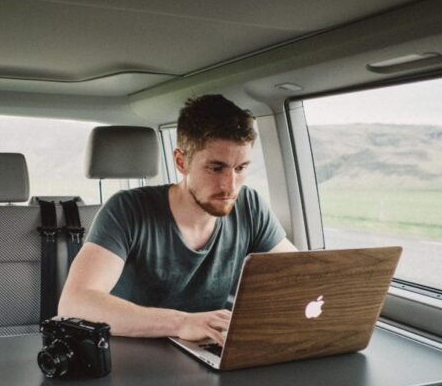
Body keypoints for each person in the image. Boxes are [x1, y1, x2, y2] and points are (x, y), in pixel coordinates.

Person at [59, 94, 297, 344]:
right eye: (216, 168)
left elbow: (303, 275)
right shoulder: (127, 209)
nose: (230, 186)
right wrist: (182, 323)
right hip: (131, 355)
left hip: (208, 354)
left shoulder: (250, 206)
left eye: (241, 168)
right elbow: (74, 302)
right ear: (181, 162)